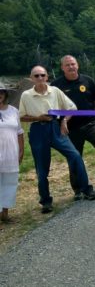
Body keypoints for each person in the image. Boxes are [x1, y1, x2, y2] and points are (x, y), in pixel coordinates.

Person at [19, 66, 95, 214]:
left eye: (42, 75)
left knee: (75, 156)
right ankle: (46, 201)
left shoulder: (55, 91)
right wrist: (38, 117)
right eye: (36, 76)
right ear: (31, 78)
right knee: (42, 169)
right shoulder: (26, 95)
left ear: (47, 77)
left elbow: (72, 108)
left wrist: (64, 121)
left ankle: (86, 189)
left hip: (55, 127)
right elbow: (22, 116)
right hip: (37, 130)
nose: (40, 78)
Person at [51, 55, 95, 195]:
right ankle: (78, 189)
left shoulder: (87, 80)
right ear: (62, 68)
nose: (71, 67)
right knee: (74, 156)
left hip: (91, 123)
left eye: (73, 64)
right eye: (67, 65)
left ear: (77, 65)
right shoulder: (56, 86)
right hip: (70, 128)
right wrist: (59, 124)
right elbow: (53, 107)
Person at [0, 82, 24, 223]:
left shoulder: (13, 111)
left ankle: (5, 214)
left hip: (11, 153)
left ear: (5, 94)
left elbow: (19, 132)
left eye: (1, 92)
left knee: (10, 183)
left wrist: (21, 151)